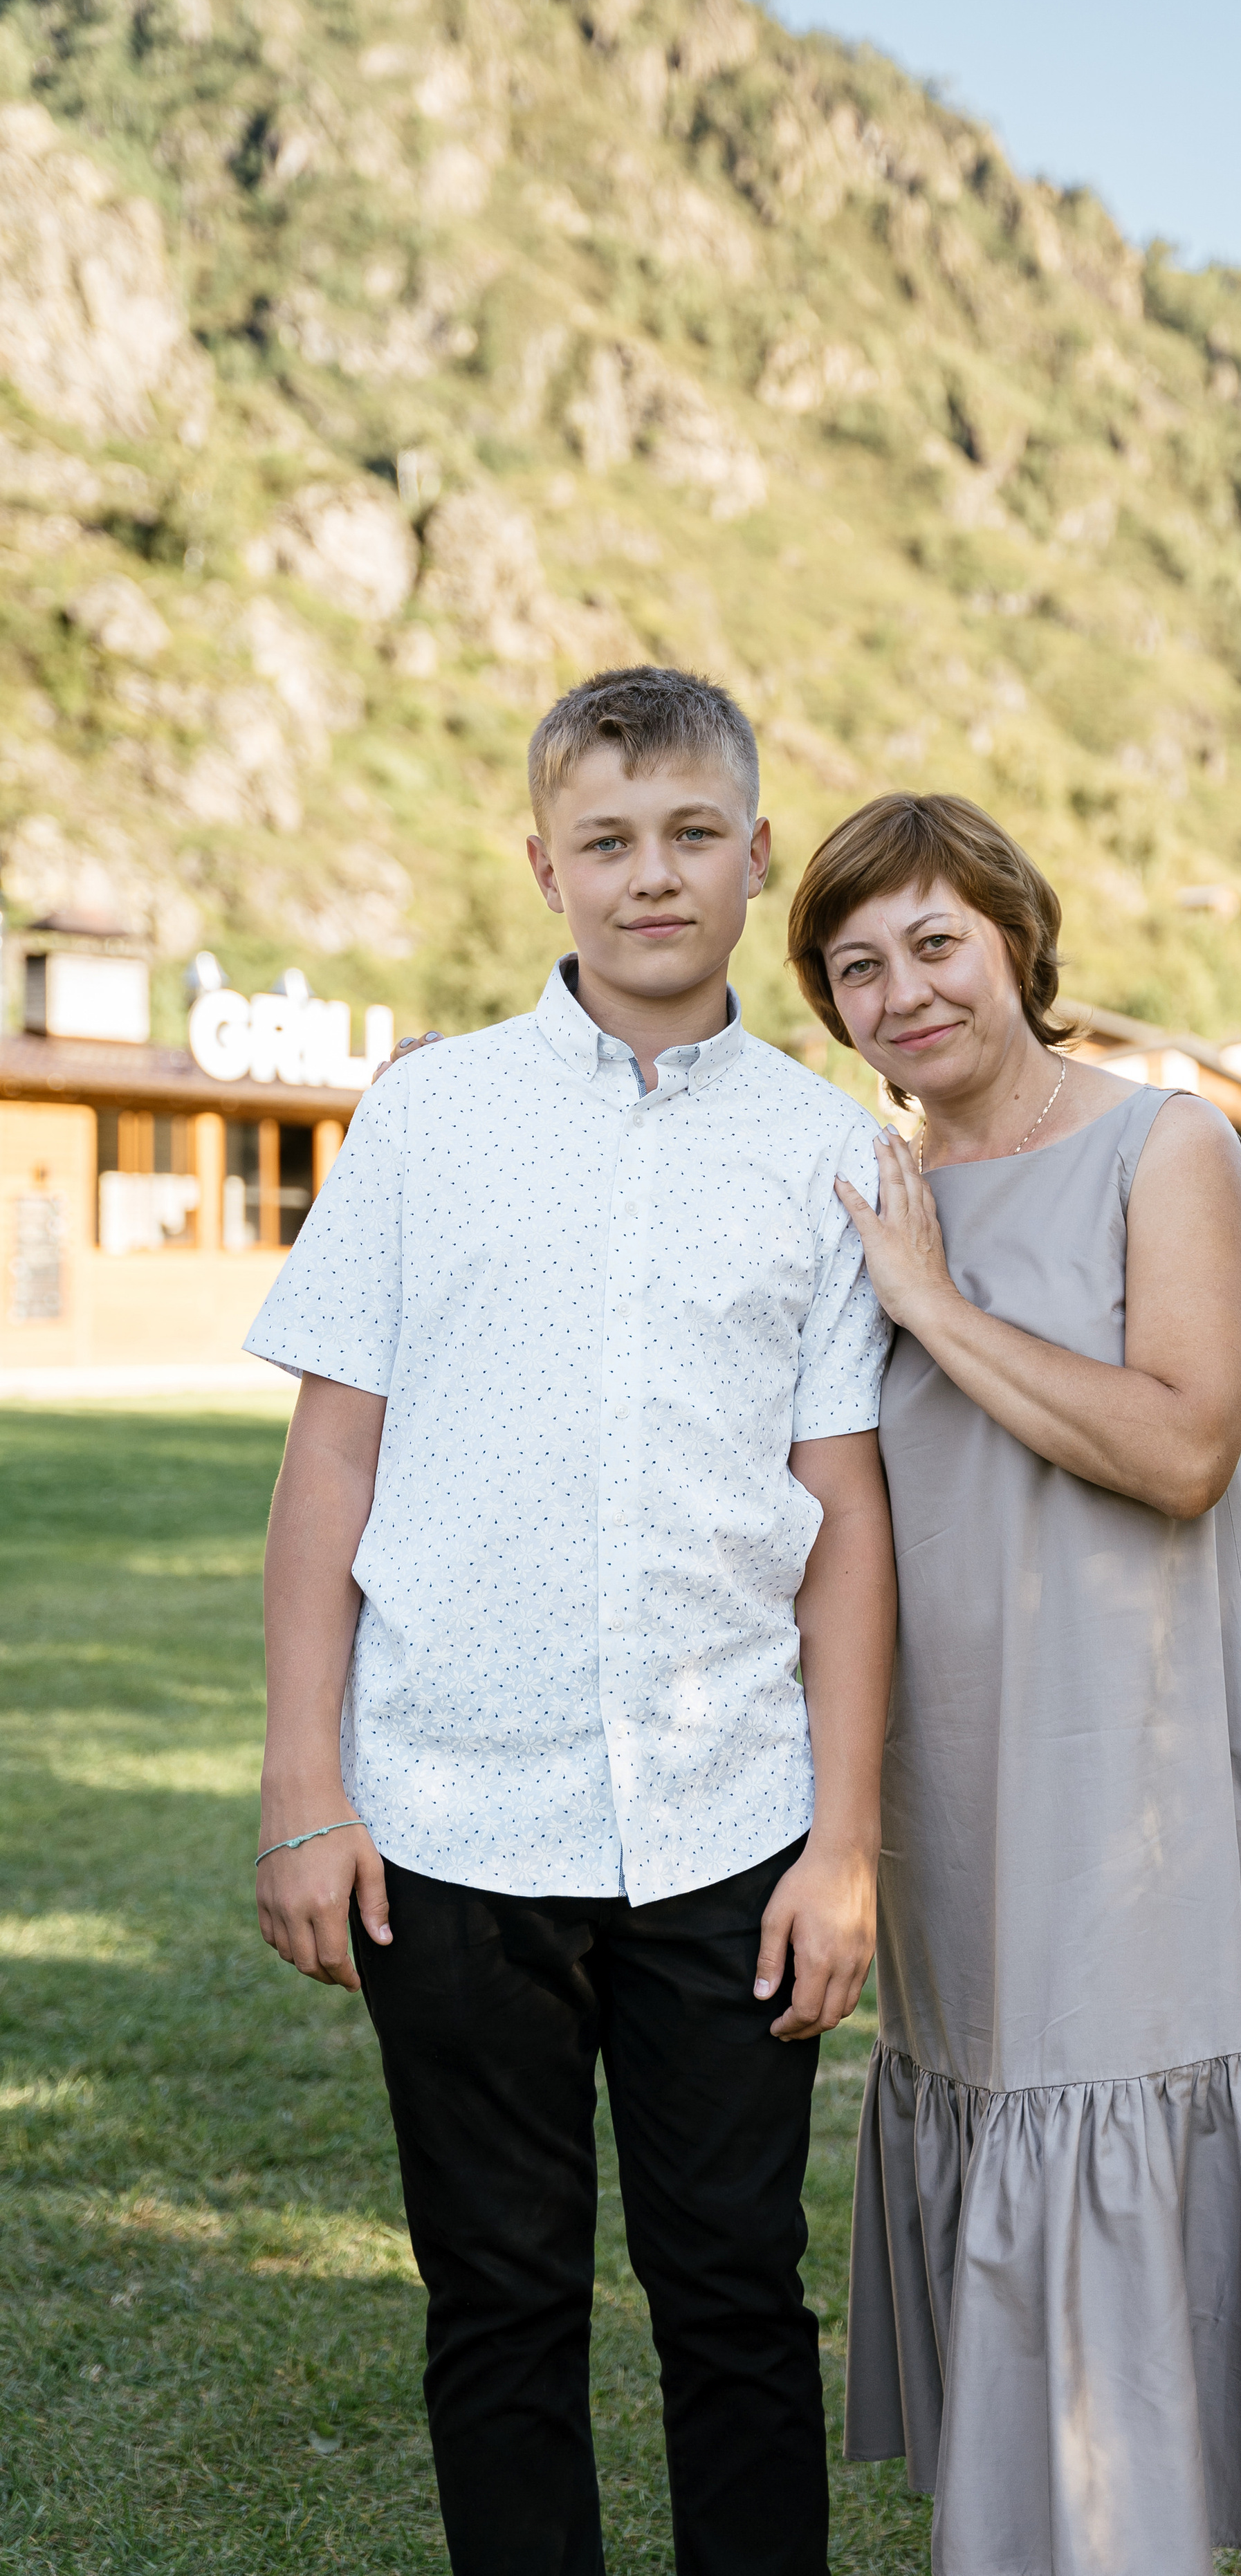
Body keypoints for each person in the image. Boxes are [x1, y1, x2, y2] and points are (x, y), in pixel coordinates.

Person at [246, 668, 897, 2576]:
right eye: (606, 841)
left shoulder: (829, 1150)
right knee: (500, 2304)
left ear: (755, 854)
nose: (651, 876)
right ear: (545, 867)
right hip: (449, 1817)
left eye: (692, 834)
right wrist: (302, 1786)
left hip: (730, 1822)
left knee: (738, 2303)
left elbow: (848, 1522)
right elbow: (329, 1468)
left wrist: (844, 1848)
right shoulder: (426, 1117)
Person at [785, 791, 1241, 2576]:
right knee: (1003, 2088)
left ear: (1017, 939)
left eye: (937, 942)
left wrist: (933, 1306)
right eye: (858, 967)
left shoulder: (1168, 1145)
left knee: (1116, 2085)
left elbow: (1182, 1450)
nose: (906, 992)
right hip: (949, 1750)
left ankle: (1121, 2527)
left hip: (1146, 1732)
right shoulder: (861, 1189)